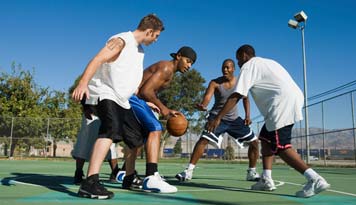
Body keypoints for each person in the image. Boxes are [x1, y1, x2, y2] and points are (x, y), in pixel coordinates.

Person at [206, 44, 330, 198]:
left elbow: (237, 95)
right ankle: (266, 179)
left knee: (281, 147)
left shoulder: (249, 66)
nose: (238, 64)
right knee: (265, 138)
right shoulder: (268, 62)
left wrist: (218, 117)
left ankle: (314, 179)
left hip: (281, 103)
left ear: (244, 55)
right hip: (291, 98)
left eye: (238, 60)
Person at [71, 14, 164, 199]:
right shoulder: (121, 40)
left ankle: (129, 177)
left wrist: (145, 101)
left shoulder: (139, 51)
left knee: (136, 138)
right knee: (111, 129)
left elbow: (129, 82)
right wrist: (82, 83)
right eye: (156, 36)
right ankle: (90, 182)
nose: (156, 40)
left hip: (122, 98)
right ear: (150, 31)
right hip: (105, 92)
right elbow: (97, 59)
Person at [123, 46, 197, 193]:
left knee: (138, 140)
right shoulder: (166, 68)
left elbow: (144, 89)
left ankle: (128, 178)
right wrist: (164, 109)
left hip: (132, 98)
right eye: (188, 61)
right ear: (178, 56)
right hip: (131, 98)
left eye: (191, 64)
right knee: (155, 128)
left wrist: (153, 104)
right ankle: (151, 177)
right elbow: (146, 91)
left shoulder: (168, 70)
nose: (189, 66)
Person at [175, 59, 260, 182]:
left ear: (233, 69)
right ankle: (188, 171)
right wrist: (202, 106)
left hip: (234, 120)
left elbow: (245, 98)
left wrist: (247, 116)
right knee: (203, 140)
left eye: (228, 67)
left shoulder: (240, 82)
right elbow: (207, 98)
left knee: (254, 142)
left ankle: (251, 172)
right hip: (216, 118)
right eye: (223, 67)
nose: (225, 70)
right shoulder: (215, 83)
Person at [71, 104, 119, 184]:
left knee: (109, 141)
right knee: (84, 142)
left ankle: (114, 172)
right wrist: (86, 108)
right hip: (92, 112)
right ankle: (78, 173)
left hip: (107, 112)